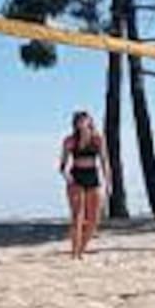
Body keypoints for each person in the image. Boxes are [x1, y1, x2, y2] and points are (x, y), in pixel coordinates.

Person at [59, 111, 111, 259]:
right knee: (78, 217)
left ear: (89, 121)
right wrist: (67, 177)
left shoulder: (98, 139)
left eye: (84, 120)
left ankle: (81, 249)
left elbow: (104, 161)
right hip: (76, 177)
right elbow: (62, 166)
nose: (81, 123)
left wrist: (108, 182)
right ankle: (74, 253)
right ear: (75, 123)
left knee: (94, 219)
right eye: (78, 121)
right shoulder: (70, 140)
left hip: (93, 177)